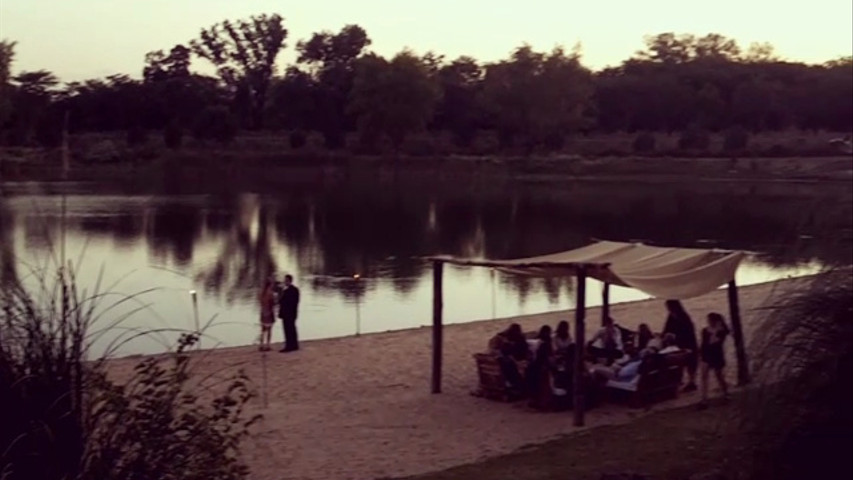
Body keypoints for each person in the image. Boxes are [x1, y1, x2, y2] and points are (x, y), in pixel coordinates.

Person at [663, 299, 699, 392]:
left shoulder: (683, 317)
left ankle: (692, 382)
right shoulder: (671, 316)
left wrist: (674, 336)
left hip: (688, 343)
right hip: (678, 344)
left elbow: (688, 332)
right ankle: (681, 381)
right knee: (680, 363)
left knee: (690, 363)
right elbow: (667, 329)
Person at [699, 312, 730, 408]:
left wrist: (715, 331)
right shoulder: (705, 330)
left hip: (716, 354)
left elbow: (714, 342)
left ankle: (725, 392)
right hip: (707, 354)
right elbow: (704, 343)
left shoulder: (721, 332)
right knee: (704, 376)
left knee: (719, 375)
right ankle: (704, 398)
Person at [526, 325, 554, 410]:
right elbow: (548, 357)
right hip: (541, 367)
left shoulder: (538, 343)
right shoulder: (544, 344)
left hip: (536, 366)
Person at [277, 274, 301, 352]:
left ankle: (289, 346)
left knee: (288, 329)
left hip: (288, 313)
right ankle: (294, 345)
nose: (285, 282)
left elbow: (283, 302)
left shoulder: (289, 291)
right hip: (291, 313)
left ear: (290, 281)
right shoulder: (294, 290)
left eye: (286, 281)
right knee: (292, 328)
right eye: (285, 281)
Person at [258, 276, 276, 351]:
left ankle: (261, 344)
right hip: (269, 312)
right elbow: (273, 304)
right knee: (269, 330)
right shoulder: (270, 293)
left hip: (263, 312)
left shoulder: (261, 293)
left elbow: (260, 302)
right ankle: (268, 345)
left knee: (262, 330)